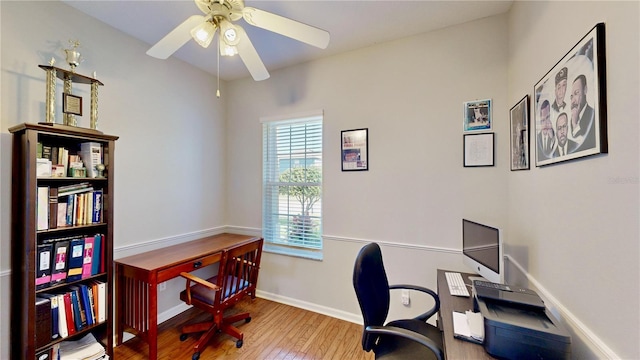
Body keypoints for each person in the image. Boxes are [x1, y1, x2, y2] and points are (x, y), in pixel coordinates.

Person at [570, 74, 595, 151]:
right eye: (571, 96)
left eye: (576, 93)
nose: (573, 100)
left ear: (585, 90)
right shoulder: (572, 120)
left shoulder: (592, 115)